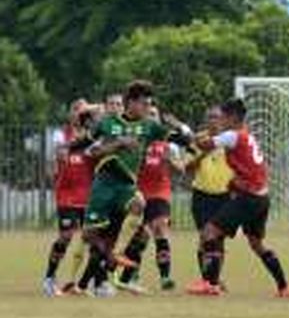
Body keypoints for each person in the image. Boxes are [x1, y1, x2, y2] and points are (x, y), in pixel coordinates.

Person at [72, 80, 187, 297]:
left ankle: (115, 262)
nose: (146, 108)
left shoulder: (149, 126)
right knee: (92, 235)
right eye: (144, 103)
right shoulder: (107, 123)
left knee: (138, 205)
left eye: (150, 104)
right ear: (131, 103)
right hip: (104, 186)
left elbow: (182, 139)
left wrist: (178, 126)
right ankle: (89, 282)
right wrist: (117, 144)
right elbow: (88, 150)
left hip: (126, 187)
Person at [187, 99, 289, 298]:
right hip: (262, 197)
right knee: (256, 244)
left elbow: (204, 144)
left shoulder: (232, 135)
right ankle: (284, 287)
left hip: (249, 198)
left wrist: (189, 135)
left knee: (209, 233)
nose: (220, 121)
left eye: (223, 117)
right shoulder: (246, 135)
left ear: (233, 117)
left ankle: (210, 284)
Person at [114, 106, 185, 294]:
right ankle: (127, 277)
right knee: (140, 237)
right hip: (139, 194)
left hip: (160, 193)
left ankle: (165, 277)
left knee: (160, 228)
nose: (152, 119)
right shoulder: (138, 142)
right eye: (149, 116)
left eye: (154, 116)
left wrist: (171, 162)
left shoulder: (168, 145)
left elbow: (181, 170)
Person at [42, 99, 96, 296]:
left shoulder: (93, 136)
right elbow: (57, 156)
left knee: (93, 238)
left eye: (83, 110)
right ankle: (49, 278)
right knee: (66, 236)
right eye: (75, 109)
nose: (79, 113)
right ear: (71, 114)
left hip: (89, 195)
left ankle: (90, 282)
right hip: (67, 194)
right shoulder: (61, 135)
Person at [185, 106, 233, 286]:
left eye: (217, 117)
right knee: (205, 237)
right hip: (202, 195)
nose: (214, 120)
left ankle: (214, 278)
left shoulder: (229, 140)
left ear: (224, 120)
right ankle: (207, 279)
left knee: (219, 240)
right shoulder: (198, 140)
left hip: (225, 196)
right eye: (211, 117)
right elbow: (187, 167)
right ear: (206, 120)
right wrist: (203, 153)